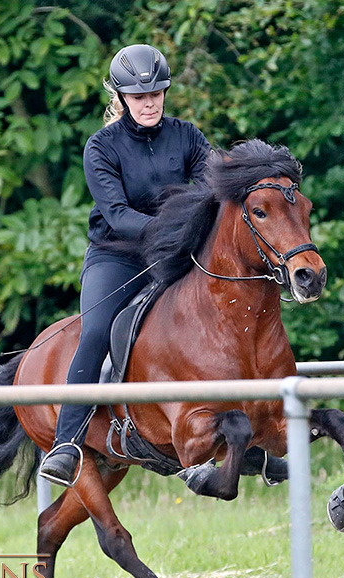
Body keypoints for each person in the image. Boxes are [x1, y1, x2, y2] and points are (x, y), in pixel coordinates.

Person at [39, 44, 212, 487]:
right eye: (139, 96)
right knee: (95, 331)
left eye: (157, 93)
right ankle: (66, 442)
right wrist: (179, 226)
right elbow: (117, 216)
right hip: (116, 254)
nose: (150, 102)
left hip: (173, 253)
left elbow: (217, 190)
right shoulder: (100, 147)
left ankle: (256, 440)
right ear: (121, 98)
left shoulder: (188, 136)